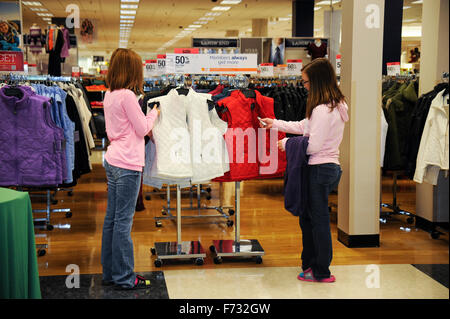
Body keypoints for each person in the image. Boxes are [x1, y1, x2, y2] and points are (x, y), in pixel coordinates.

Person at [260, 58, 349, 283]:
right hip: (329, 167)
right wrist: (276, 123)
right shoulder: (335, 105)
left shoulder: (322, 108)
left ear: (317, 81)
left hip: (318, 169)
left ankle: (321, 271)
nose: (304, 86)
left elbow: (313, 145)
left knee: (317, 220)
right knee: (311, 219)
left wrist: (287, 144)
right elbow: (304, 127)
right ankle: (313, 266)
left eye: (306, 82)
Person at [101, 48, 159, 290]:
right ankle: (125, 277)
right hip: (127, 163)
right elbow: (142, 128)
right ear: (132, 70)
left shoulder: (109, 94)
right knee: (123, 222)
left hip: (113, 158)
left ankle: (110, 273)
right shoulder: (127, 95)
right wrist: (154, 113)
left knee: (112, 220)